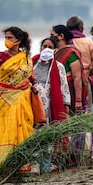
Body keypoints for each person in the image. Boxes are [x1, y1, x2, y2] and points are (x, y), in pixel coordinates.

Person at [0, 26, 34, 167]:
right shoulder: (1, 56)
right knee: (6, 129)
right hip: (5, 99)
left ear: (19, 40)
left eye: (10, 38)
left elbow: (30, 76)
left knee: (23, 128)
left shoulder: (25, 57)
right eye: (6, 37)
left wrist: (33, 86)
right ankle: (5, 164)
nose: (7, 40)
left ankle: (22, 164)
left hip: (23, 97)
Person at [32, 38, 71, 172]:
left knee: (47, 134)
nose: (46, 49)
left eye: (50, 47)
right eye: (44, 46)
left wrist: (65, 106)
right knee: (33, 133)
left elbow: (64, 87)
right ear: (40, 47)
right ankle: (33, 166)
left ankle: (46, 166)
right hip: (32, 104)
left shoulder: (59, 66)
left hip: (49, 105)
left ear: (54, 50)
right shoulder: (31, 63)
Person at [51, 25, 86, 114]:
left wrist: (78, 100)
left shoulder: (71, 53)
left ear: (61, 36)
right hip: (56, 90)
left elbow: (77, 77)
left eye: (53, 35)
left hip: (69, 91)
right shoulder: (54, 53)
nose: (51, 38)